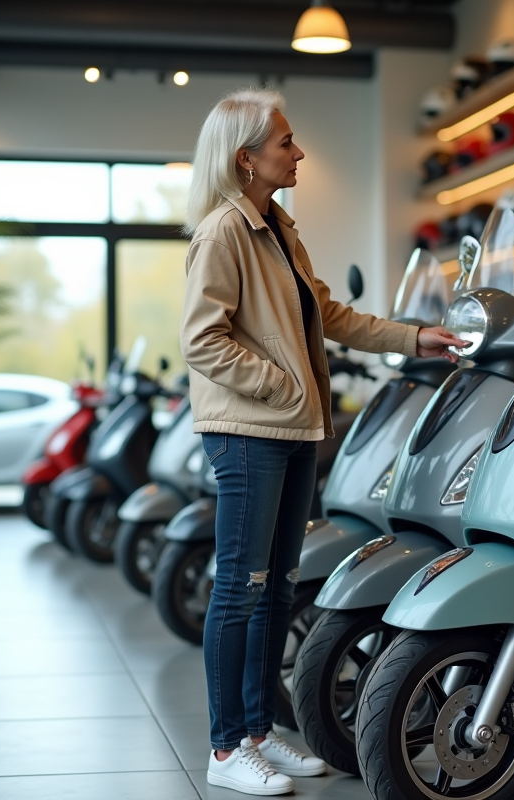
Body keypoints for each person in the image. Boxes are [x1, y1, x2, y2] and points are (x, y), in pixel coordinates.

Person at [180, 87, 467, 796]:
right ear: (246, 159)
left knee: (277, 588)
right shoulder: (222, 233)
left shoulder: (279, 229)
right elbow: (201, 341)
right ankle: (224, 749)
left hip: (291, 430)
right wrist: (283, 385)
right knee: (239, 592)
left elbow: (330, 315)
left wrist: (414, 338)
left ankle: (256, 731)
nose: (299, 152)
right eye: (285, 142)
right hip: (249, 432)